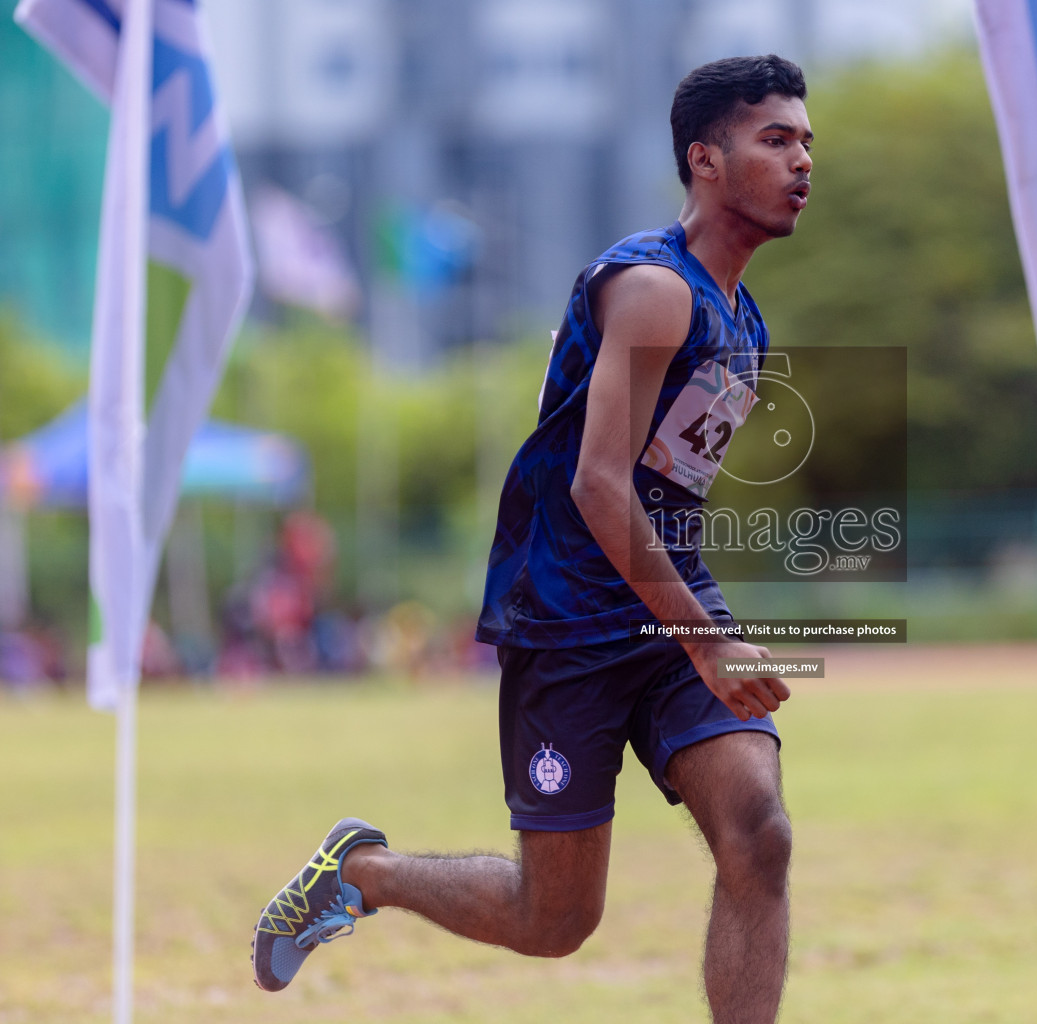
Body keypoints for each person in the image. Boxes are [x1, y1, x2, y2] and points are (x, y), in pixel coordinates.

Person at [252, 54, 812, 1024]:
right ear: (705, 160)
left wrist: (696, 624)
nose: (804, 159)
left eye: (807, 141)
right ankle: (364, 873)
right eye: (777, 139)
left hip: (662, 604)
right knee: (552, 919)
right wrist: (709, 640)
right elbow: (599, 483)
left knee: (759, 835)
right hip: (569, 619)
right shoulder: (653, 289)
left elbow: (662, 485)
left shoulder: (741, 323)